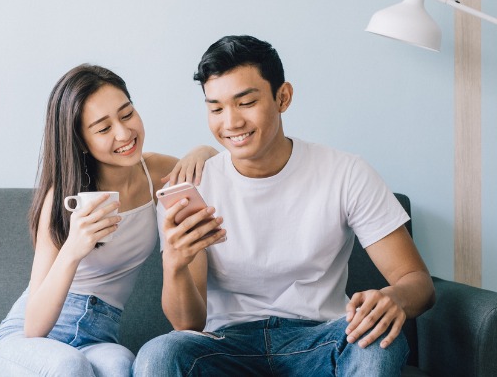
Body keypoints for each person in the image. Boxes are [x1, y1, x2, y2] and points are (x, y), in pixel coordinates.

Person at [132, 35, 436, 376]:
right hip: (227, 346)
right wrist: (174, 264)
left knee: (380, 341)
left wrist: (394, 297)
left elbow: (417, 282)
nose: (230, 123)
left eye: (245, 103)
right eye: (216, 108)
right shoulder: (193, 187)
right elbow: (188, 323)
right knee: (159, 354)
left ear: (283, 97)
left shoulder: (345, 172)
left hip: (322, 340)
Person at [0, 64, 217, 377]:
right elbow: (34, 325)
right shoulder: (64, 196)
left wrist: (202, 150)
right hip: (26, 342)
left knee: (122, 366)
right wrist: (73, 249)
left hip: (98, 337)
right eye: (104, 128)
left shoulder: (158, 175)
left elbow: (216, 166)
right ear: (81, 141)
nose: (124, 133)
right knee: (69, 367)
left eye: (127, 114)